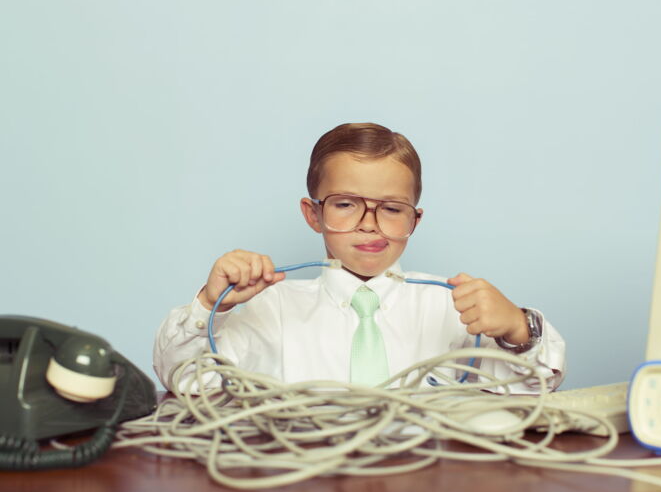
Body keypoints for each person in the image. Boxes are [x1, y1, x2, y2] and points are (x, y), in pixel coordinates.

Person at [153, 123, 565, 392]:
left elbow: (535, 385)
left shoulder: (452, 308)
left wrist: (518, 328)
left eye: (390, 208)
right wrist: (209, 307)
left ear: (414, 220)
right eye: (346, 204)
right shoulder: (271, 308)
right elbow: (185, 378)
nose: (369, 224)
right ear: (313, 214)